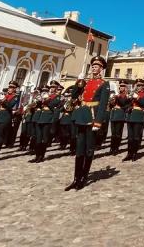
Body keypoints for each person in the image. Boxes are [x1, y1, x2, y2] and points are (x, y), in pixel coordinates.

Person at [66, 56, 110, 190]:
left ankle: (84, 178)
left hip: (92, 117)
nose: (94, 68)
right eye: (93, 66)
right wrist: (78, 82)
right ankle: (76, 178)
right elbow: (74, 96)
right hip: (82, 116)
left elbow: (102, 105)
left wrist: (98, 122)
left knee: (88, 149)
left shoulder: (104, 84)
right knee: (79, 149)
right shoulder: (85, 82)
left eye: (97, 66)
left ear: (101, 68)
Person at [0, 81, 20, 163]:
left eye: (12, 88)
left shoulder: (15, 97)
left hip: (5, 117)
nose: (10, 89)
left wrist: (4, 100)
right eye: (9, 87)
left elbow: (10, 106)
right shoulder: (5, 95)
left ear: (15, 89)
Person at [33, 82, 62, 163]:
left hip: (48, 119)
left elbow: (54, 105)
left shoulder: (58, 97)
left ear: (56, 88)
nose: (52, 88)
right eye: (51, 87)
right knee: (38, 138)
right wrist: (38, 100)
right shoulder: (45, 95)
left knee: (44, 139)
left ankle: (41, 156)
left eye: (54, 87)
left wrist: (46, 100)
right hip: (40, 118)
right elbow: (38, 105)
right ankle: (37, 155)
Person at [125, 78, 144, 162]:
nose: (138, 87)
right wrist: (129, 104)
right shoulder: (133, 94)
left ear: (143, 86)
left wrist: (137, 97)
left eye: (140, 85)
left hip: (139, 117)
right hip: (131, 116)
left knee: (136, 137)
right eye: (137, 85)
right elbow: (126, 104)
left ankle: (135, 153)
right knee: (130, 138)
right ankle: (129, 153)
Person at [108, 81, 130, 155]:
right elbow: (110, 106)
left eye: (123, 86)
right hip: (114, 115)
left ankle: (116, 148)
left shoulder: (126, 96)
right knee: (113, 134)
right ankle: (112, 147)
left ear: (126, 88)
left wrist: (117, 98)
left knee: (118, 133)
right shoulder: (116, 95)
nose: (121, 87)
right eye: (120, 86)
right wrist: (111, 101)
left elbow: (124, 104)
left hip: (120, 115)